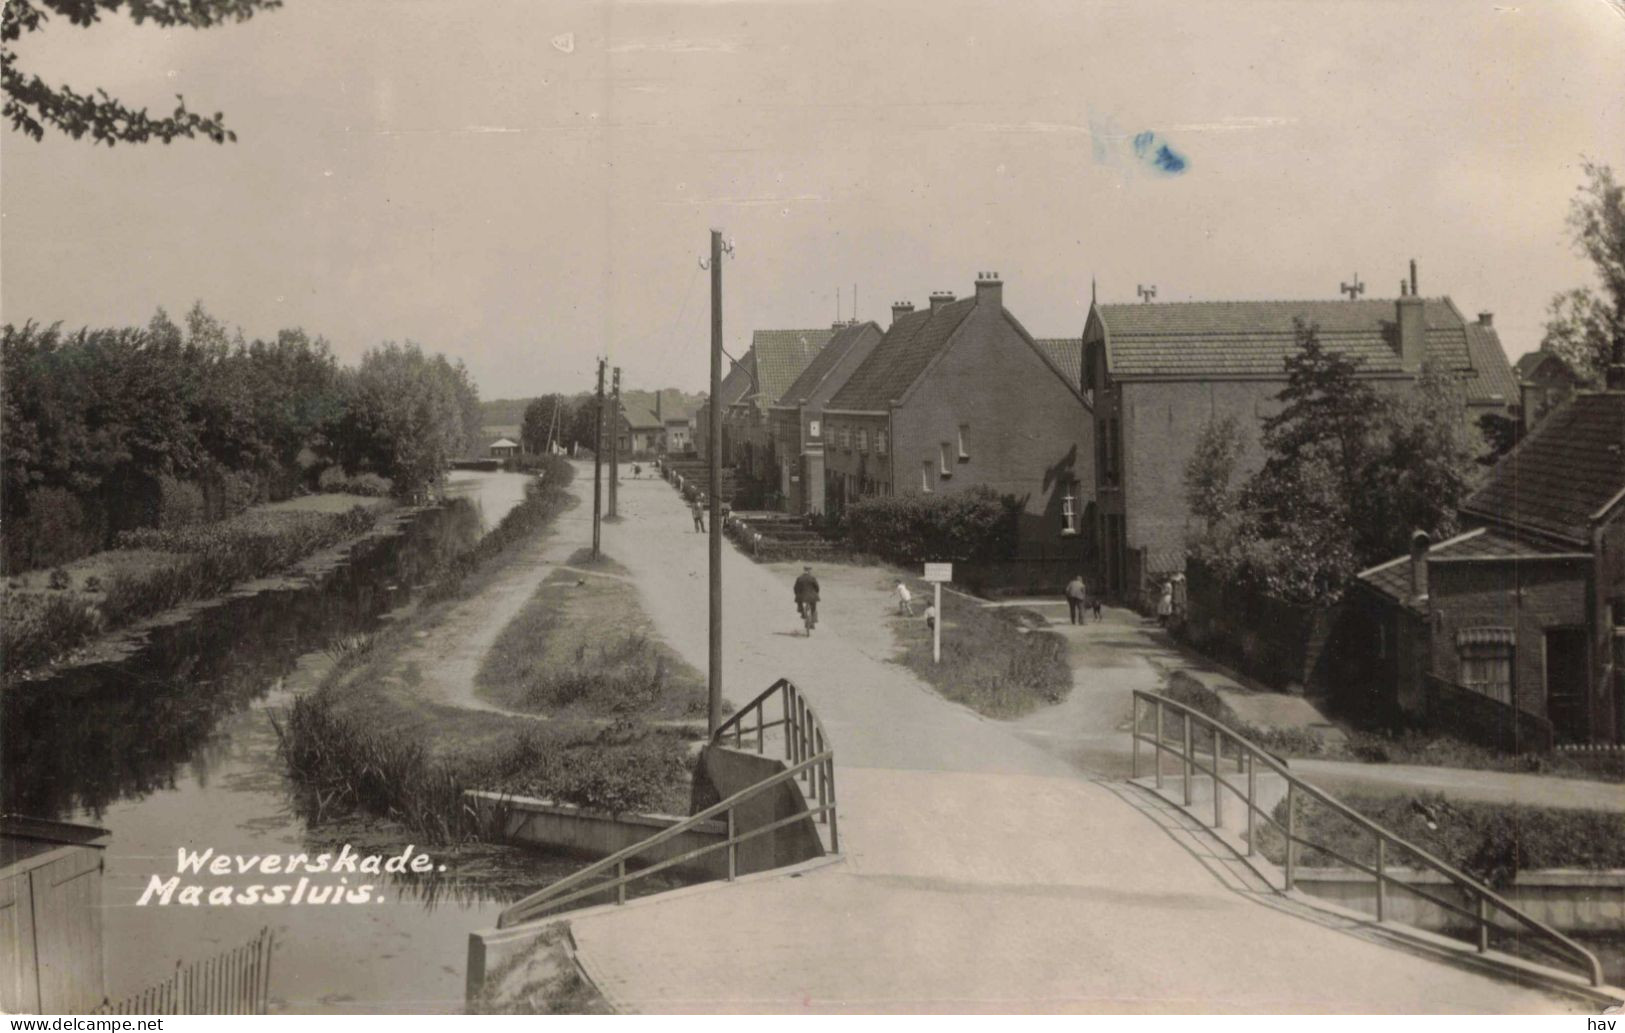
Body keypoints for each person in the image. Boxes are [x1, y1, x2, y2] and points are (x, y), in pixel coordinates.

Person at [794, 565, 821, 633]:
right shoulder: (812, 578)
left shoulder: (799, 578)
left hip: (802, 596)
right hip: (812, 596)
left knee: (799, 600)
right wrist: (816, 593)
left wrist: (797, 594)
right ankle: (813, 621)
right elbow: (817, 587)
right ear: (810, 570)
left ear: (804, 570)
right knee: (814, 607)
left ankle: (802, 612)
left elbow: (795, 588)